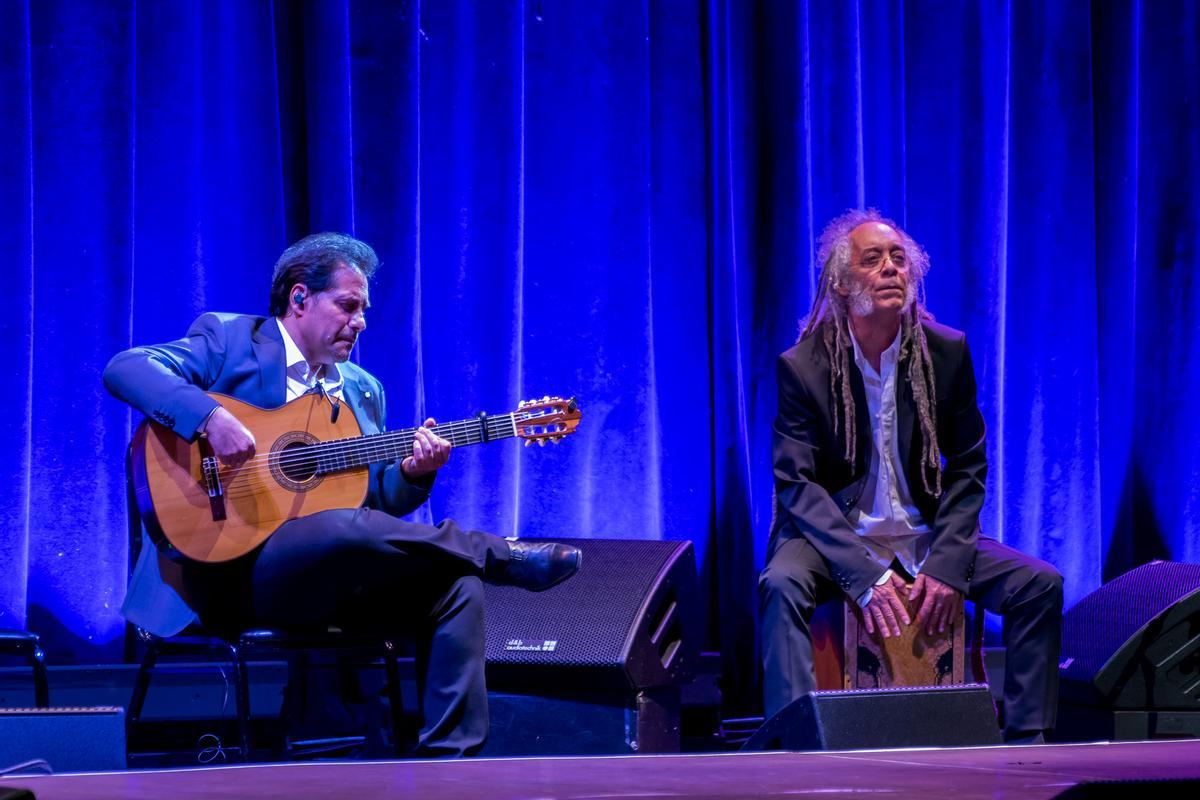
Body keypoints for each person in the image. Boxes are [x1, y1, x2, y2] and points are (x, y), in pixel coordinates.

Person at [105, 232, 581, 757]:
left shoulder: (362, 388)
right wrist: (210, 418)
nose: (361, 322)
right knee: (342, 527)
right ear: (301, 299)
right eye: (349, 306)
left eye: (364, 309)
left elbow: (376, 500)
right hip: (221, 574)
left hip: (320, 578)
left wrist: (413, 472)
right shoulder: (230, 339)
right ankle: (501, 554)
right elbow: (126, 368)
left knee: (454, 582)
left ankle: (453, 761)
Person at [759, 209, 1062, 744]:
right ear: (842, 281)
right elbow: (797, 484)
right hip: (838, 535)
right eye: (873, 260)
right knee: (781, 584)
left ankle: (1028, 744)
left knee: (1038, 585)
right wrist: (866, 574)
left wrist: (947, 566)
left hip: (923, 533)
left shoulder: (945, 351)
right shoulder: (803, 365)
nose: (891, 269)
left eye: (899, 259)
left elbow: (968, 465)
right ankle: (794, 745)